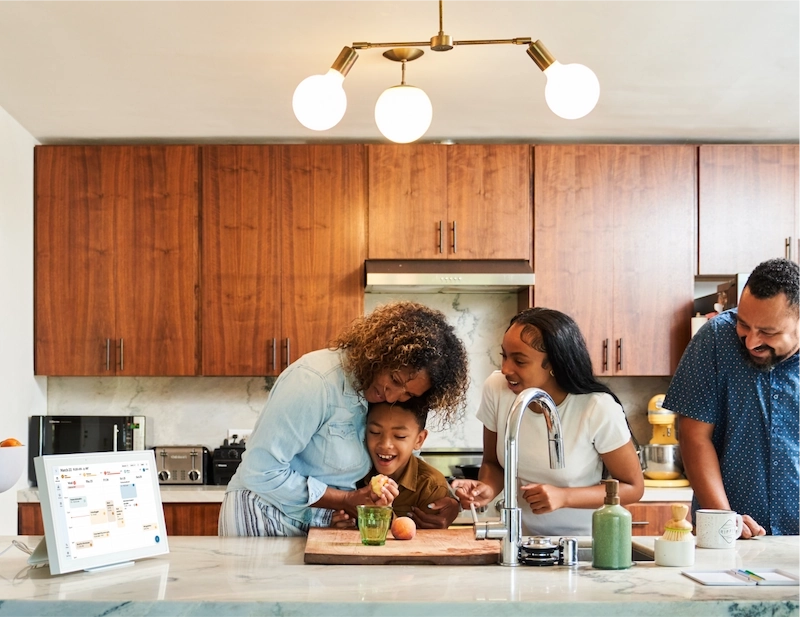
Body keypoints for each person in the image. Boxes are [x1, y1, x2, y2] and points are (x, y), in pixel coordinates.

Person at [218, 301, 469, 537]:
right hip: (264, 518)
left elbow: (403, 448)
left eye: (408, 394)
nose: (393, 395)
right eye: (394, 380)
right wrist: (345, 500)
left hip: (315, 524)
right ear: (381, 353)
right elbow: (260, 472)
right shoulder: (315, 381)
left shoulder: (375, 391)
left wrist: (449, 499)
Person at [452, 307, 644, 536]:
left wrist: (564, 497)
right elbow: (494, 464)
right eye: (504, 355)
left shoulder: (597, 407)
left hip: (585, 543)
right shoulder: (497, 389)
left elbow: (633, 487)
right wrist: (486, 489)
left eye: (519, 361)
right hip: (524, 540)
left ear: (553, 363)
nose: (505, 369)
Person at [664, 258, 800, 537]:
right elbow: (694, 436)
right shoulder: (715, 339)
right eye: (744, 324)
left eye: (767, 332)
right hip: (725, 536)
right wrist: (724, 520)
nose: (751, 341)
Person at [331, 401, 457, 528]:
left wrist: (386, 517)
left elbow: (428, 544)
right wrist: (342, 527)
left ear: (419, 440)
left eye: (399, 436)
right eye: (374, 432)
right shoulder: (351, 472)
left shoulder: (430, 486)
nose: (385, 445)